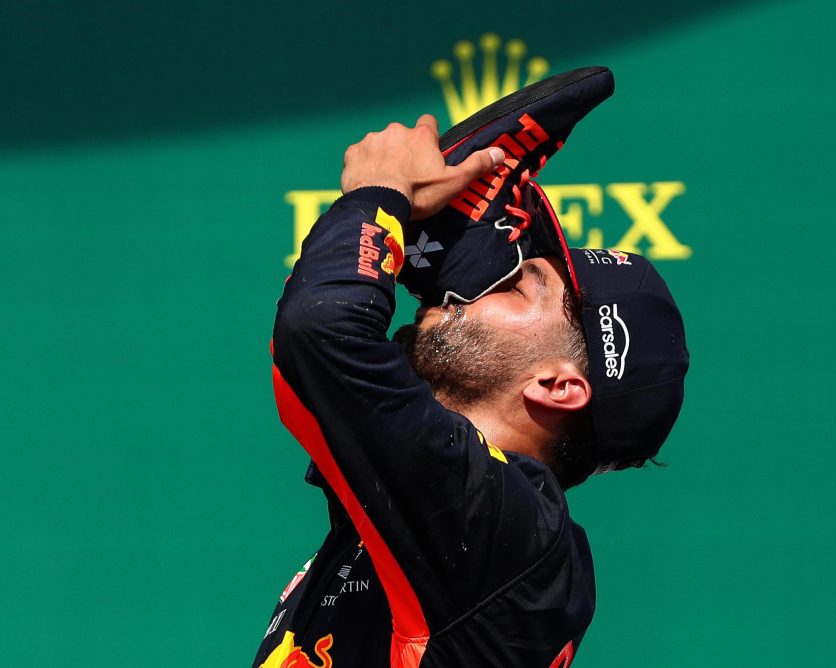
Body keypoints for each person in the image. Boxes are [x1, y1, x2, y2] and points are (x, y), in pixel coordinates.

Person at [253, 114, 689, 668]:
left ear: (558, 386)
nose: (475, 287)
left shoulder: (515, 534)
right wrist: (430, 254)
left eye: (513, 285)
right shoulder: (436, 514)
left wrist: (381, 193)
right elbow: (334, 369)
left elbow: (323, 332)